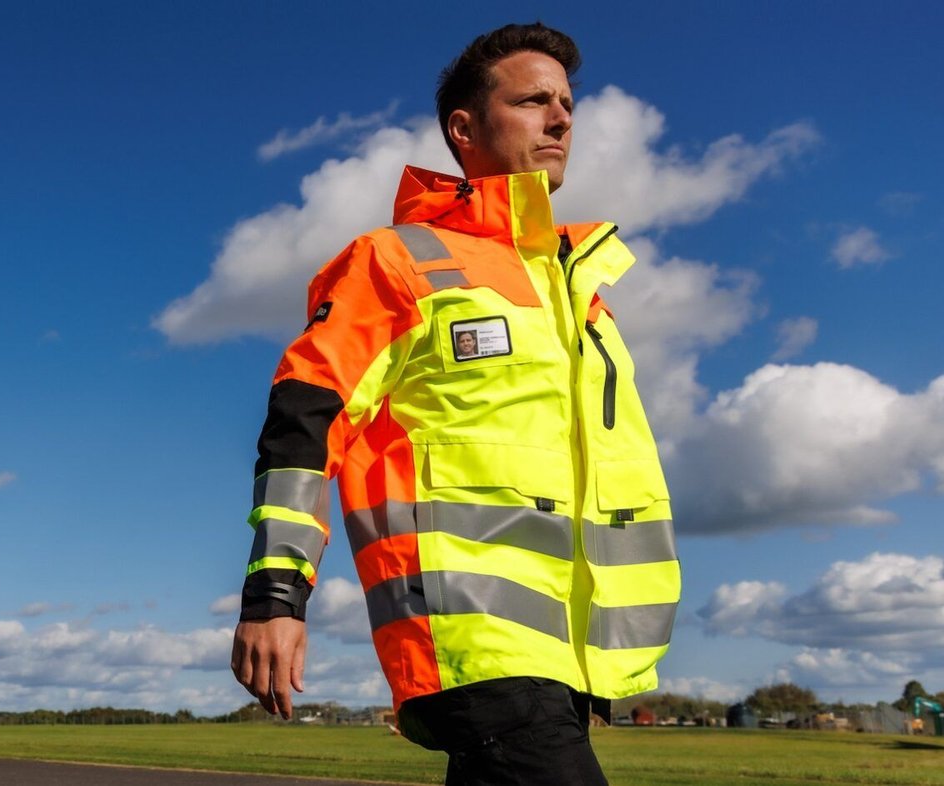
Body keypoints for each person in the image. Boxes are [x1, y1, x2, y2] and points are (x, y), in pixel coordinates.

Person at [229, 22, 680, 786]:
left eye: (567, 102)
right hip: (472, 641)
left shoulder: (582, 301)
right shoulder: (396, 261)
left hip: (573, 660)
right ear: (465, 129)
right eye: (534, 100)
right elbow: (304, 420)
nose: (562, 119)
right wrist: (276, 593)